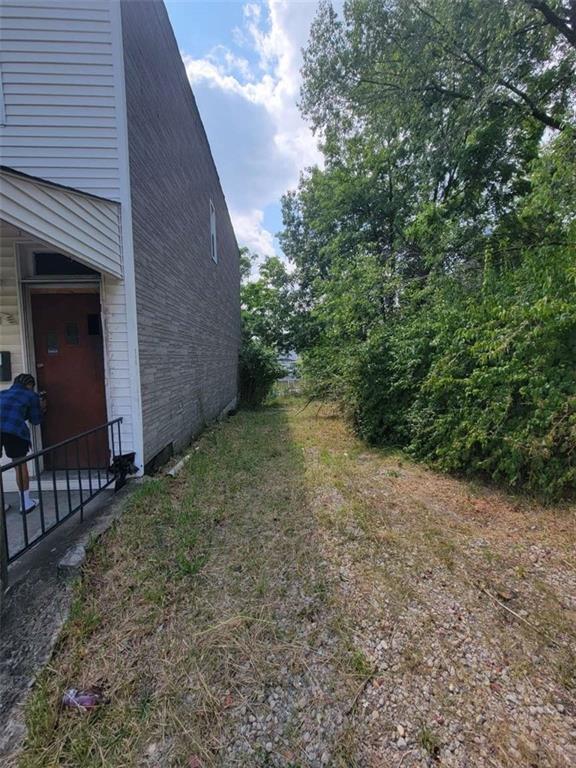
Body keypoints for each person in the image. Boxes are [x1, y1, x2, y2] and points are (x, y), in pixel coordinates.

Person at [0, 373, 44, 513]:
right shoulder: (31, 396)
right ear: (30, 386)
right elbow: (35, 420)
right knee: (19, 464)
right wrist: (42, 407)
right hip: (15, 430)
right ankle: (25, 503)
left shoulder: (2, 393)